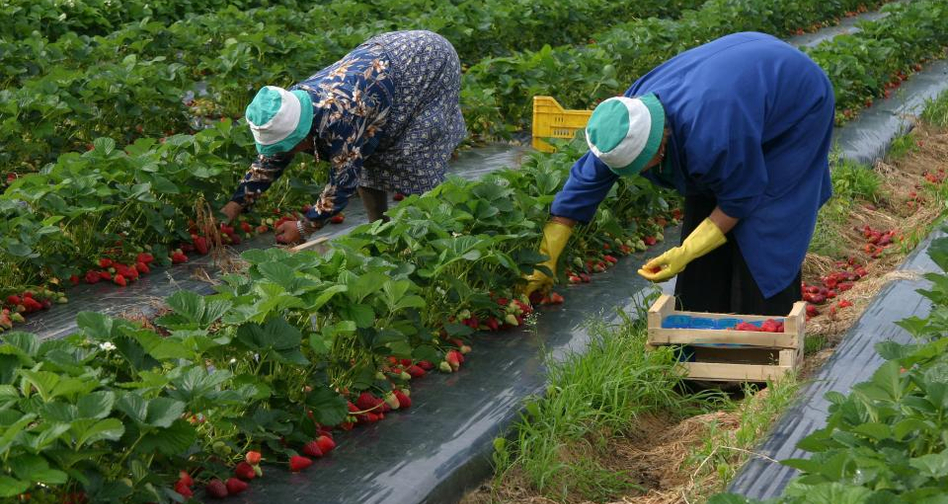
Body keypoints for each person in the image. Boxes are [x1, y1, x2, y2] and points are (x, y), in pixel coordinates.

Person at [523, 32, 835, 316]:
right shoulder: (623, 120)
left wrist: (686, 252)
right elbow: (583, 184)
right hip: (741, 76)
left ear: (660, 147)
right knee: (706, 198)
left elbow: (740, 199)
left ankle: (767, 331)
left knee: (768, 220)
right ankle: (702, 325)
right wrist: (546, 259)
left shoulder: (712, 135)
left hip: (798, 99)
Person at [220, 30, 467, 243]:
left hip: (427, 63)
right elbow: (271, 160)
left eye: (286, 146)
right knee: (368, 154)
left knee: (413, 155)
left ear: (301, 134)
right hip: (384, 60)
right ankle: (380, 232)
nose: (283, 152)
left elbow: (343, 182)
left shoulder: (340, 117)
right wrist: (232, 208)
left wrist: (304, 227)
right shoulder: (291, 105)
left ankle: (434, 234)